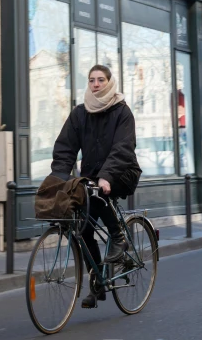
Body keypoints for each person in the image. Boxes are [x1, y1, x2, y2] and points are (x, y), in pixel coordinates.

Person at [50, 64, 142, 309]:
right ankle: (97, 283)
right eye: (92, 80)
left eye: (101, 79)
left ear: (109, 82)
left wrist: (106, 176)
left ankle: (118, 237)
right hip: (91, 177)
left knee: (97, 190)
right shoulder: (80, 113)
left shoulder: (122, 112)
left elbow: (123, 148)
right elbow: (65, 148)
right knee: (82, 229)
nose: (96, 84)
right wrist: (58, 179)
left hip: (123, 172)